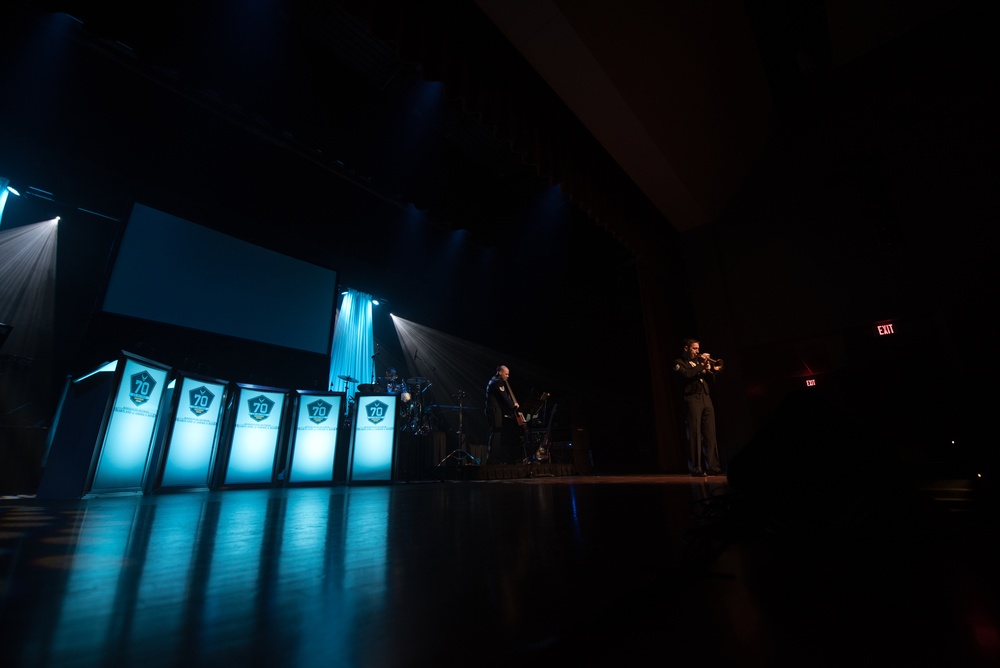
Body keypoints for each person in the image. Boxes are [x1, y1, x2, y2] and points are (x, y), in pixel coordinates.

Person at [672, 338, 724, 477]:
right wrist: (701, 365)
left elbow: (712, 382)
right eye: (694, 348)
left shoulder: (698, 364)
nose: (697, 351)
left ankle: (714, 467)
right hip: (692, 399)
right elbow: (687, 375)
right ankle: (696, 468)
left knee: (710, 435)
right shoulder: (679, 363)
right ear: (686, 349)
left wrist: (709, 370)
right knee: (694, 434)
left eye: (698, 349)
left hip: (706, 398)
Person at [484, 364, 521, 465]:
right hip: (494, 411)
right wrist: (513, 405)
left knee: (496, 434)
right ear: (500, 373)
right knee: (496, 434)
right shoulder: (497, 382)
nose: (508, 376)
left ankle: (494, 459)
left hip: (494, 410)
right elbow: (504, 397)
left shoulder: (494, 381)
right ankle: (491, 461)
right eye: (506, 374)